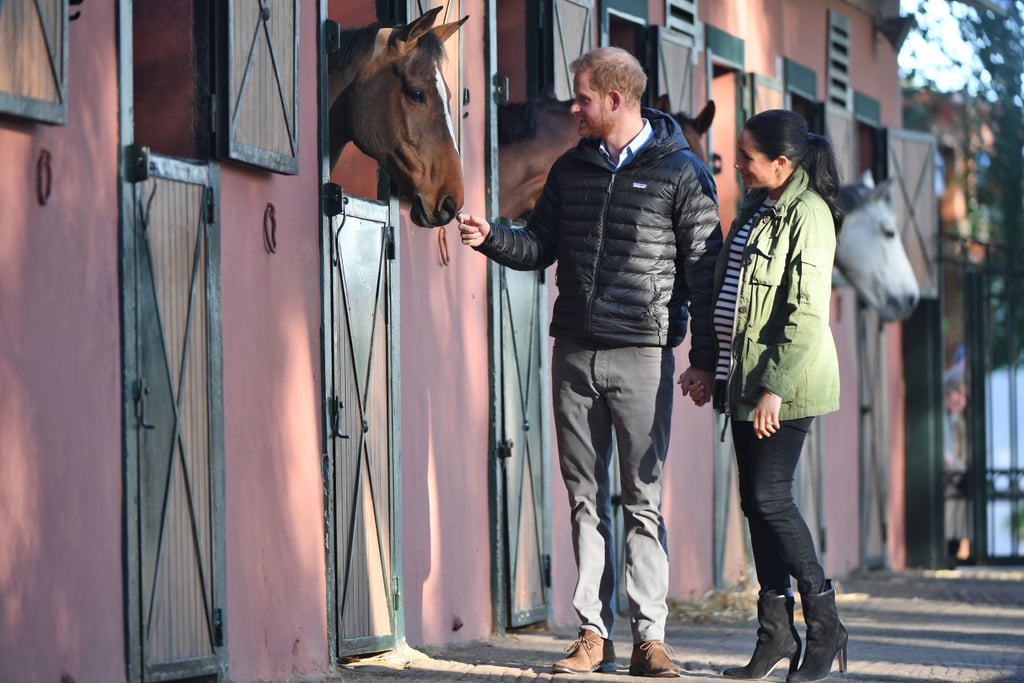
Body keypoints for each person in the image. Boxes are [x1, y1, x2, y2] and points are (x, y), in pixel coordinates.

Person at [458, 47, 722, 677]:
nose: (571, 108)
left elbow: (704, 274)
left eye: (580, 98)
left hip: (644, 354)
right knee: (583, 498)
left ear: (614, 99)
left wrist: (705, 359)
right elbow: (542, 245)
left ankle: (650, 639)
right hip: (574, 349)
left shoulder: (683, 174)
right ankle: (591, 635)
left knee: (641, 499)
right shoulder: (570, 169)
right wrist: (491, 237)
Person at [686, 109, 846, 682]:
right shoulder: (758, 206)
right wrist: (708, 363)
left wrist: (775, 388)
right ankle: (776, 634)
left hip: (786, 387)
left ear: (781, 163)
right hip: (744, 383)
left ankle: (825, 625)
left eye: (746, 157)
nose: (736, 165)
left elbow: (804, 314)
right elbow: (729, 289)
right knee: (755, 505)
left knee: (771, 497)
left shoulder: (810, 215)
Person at [943, 365, 970, 561]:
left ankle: (955, 547)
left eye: (963, 395)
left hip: (956, 476)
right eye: (956, 393)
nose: (960, 400)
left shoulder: (959, 420)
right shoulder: (942, 418)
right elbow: (945, 452)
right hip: (947, 476)